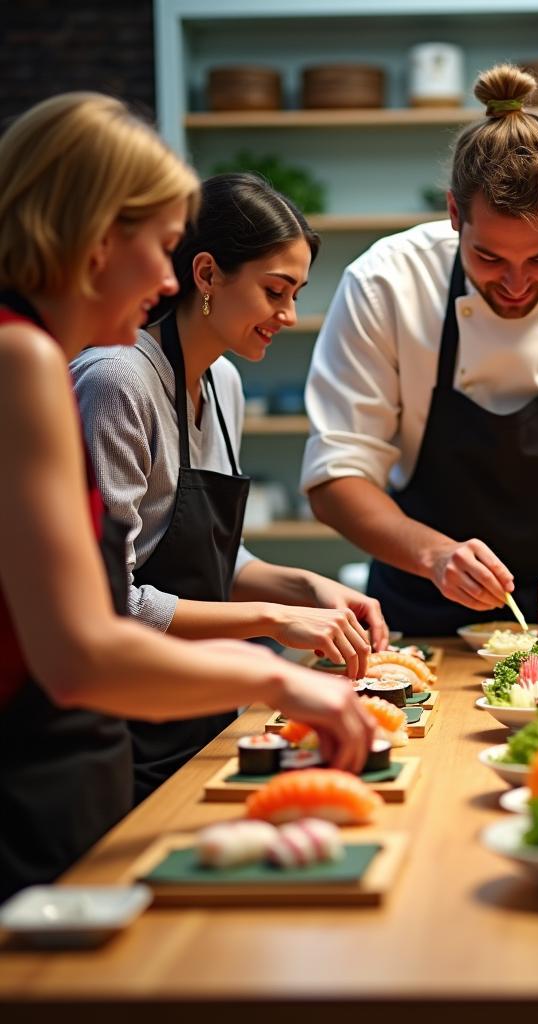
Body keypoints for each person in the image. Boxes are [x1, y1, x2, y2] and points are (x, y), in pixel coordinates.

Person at [0, 93, 372, 900]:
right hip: (53, 761)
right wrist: (272, 663)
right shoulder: (48, 362)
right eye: (163, 246)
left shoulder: (205, 379)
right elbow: (85, 642)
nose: (167, 276)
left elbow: (178, 558)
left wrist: (299, 590)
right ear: (96, 237)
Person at [301, 64, 538, 638]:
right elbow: (337, 477)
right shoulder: (386, 283)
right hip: (417, 606)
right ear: (455, 213)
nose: (514, 285)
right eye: (489, 258)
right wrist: (435, 556)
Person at [71, 173, 388, 803]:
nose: (289, 316)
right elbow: (111, 601)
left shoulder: (224, 386)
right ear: (208, 274)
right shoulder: (117, 382)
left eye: (295, 294)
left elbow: (212, 557)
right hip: (125, 727)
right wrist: (273, 620)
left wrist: (306, 588)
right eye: (275, 291)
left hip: (205, 713)